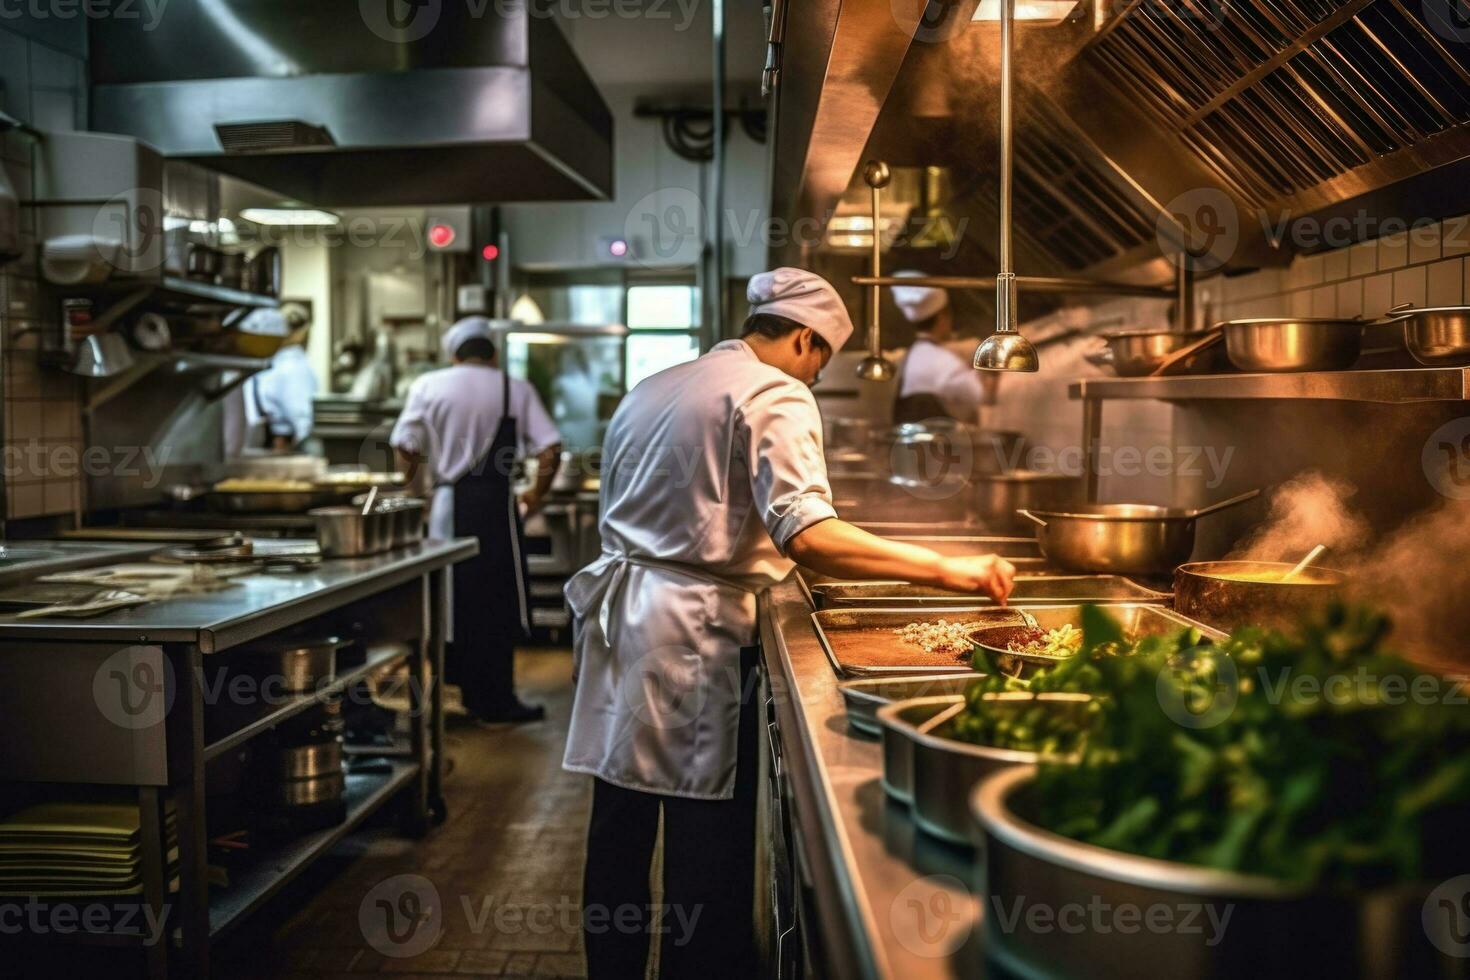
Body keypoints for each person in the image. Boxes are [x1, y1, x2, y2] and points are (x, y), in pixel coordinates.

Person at [563, 268, 1016, 978]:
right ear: (806, 339)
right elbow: (807, 534)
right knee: (702, 841)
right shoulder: (775, 391)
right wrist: (947, 568)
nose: (814, 374)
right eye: (821, 360)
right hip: (693, 636)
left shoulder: (656, 384)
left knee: (617, 830)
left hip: (620, 624)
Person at [390, 316, 563, 725]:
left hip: (446, 509)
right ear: (493, 353)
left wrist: (419, 494)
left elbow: (404, 446)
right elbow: (551, 450)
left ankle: (451, 697)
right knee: (496, 603)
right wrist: (534, 497)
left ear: (454, 353)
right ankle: (496, 699)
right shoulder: (513, 388)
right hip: (496, 510)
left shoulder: (427, 385)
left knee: (448, 603)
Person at [891, 270, 985, 425]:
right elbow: (980, 395)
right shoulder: (942, 361)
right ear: (943, 317)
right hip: (935, 446)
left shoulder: (915, 353)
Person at [236, 304, 318, 453]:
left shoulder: (279, 361)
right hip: (280, 440)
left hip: (271, 436)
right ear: (301, 333)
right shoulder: (292, 364)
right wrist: (302, 438)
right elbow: (299, 412)